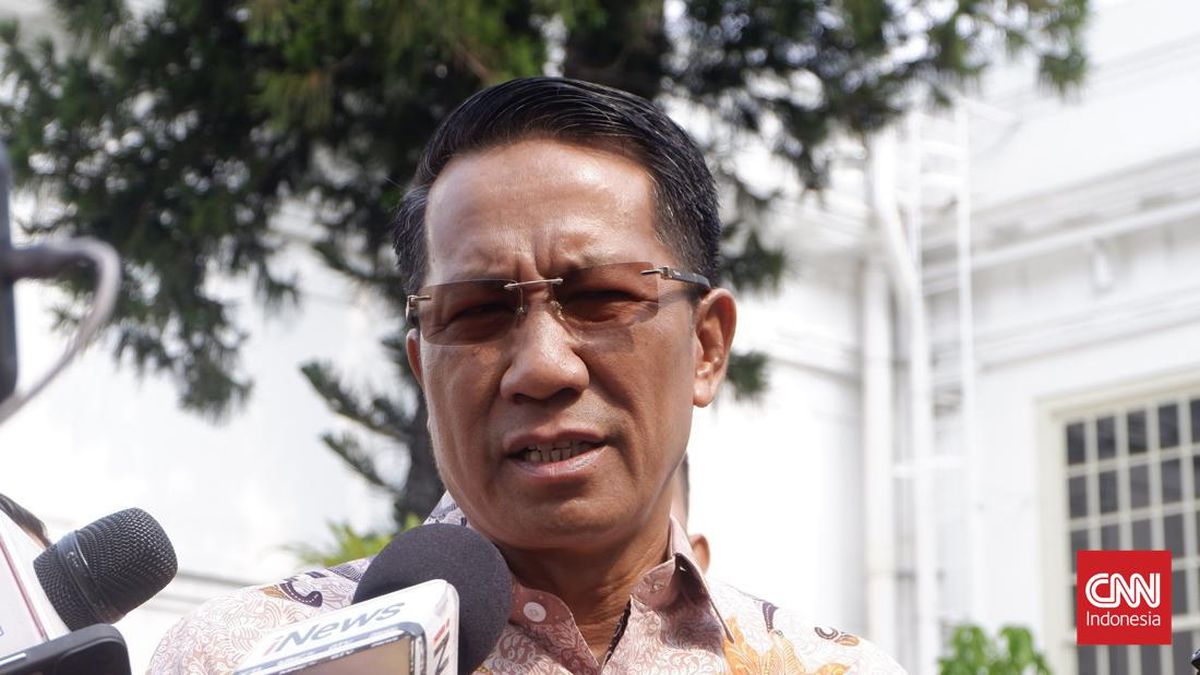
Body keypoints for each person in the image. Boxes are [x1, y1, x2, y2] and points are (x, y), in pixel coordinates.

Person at [150, 77, 903, 674]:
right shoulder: (245, 659)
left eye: (601, 298)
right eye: (477, 311)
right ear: (423, 370)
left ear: (706, 346)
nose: (542, 367)